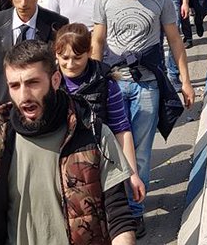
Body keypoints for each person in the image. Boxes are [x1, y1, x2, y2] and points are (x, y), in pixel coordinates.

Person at [0, 38, 138, 245]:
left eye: (33, 83)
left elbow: (118, 215)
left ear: (55, 80)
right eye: (15, 86)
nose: (24, 95)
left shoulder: (92, 133)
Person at [90, 0, 195, 224]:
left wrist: (185, 81)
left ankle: (135, 213)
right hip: (113, 83)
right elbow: (97, 42)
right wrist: (94, 82)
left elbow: (174, 40)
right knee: (110, 149)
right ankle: (115, 208)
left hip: (147, 85)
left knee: (141, 152)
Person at [53, 24, 146, 206]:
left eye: (77, 58)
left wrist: (132, 174)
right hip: (62, 167)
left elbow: (121, 130)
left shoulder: (106, 84)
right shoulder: (49, 84)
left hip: (100, 162)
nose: (70, 65)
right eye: (64, 58)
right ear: (55, 55)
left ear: (89, 52)